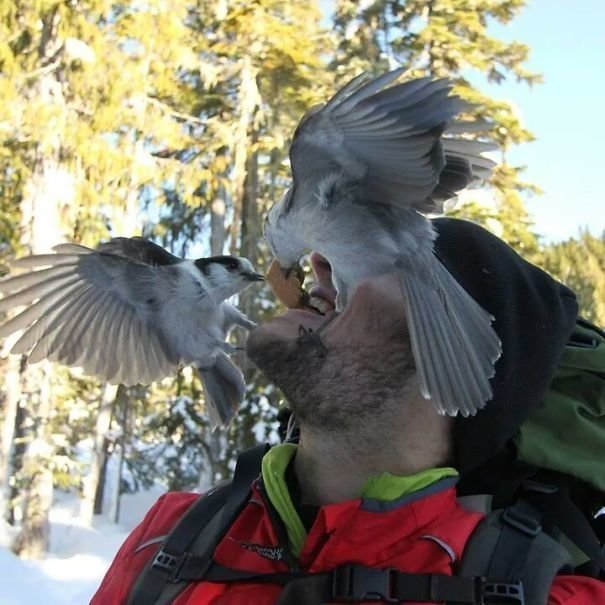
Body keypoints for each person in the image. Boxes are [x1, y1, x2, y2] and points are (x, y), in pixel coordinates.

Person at [91, 218, 605, 604]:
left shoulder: (544, 593)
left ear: (452, 353)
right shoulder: (173, 531)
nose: (319, 262)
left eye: (381, 259)